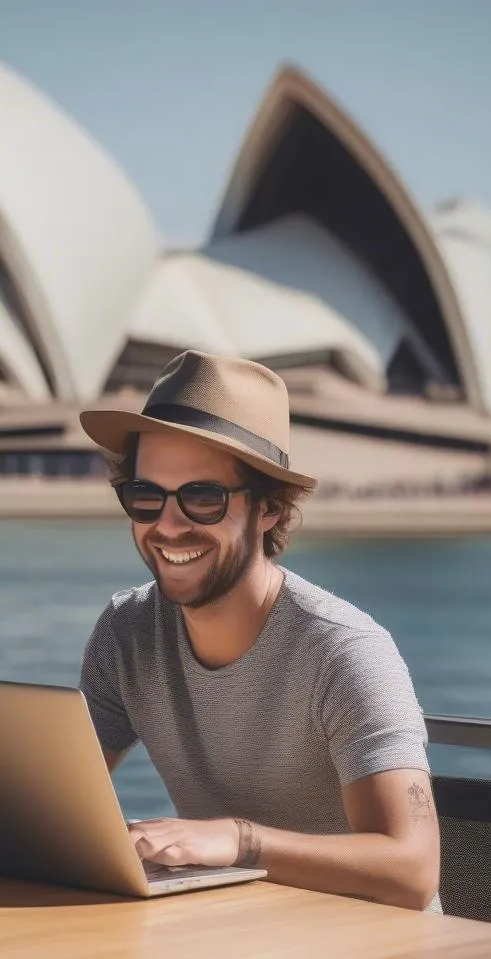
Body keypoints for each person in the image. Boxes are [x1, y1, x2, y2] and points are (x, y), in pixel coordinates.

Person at [77, 350, 441, 914]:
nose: (168, 525)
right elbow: (57, 805)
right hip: (225, 947)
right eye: (147, 496)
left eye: (202, 498)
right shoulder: (125, 634)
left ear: (269, 508)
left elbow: (414, 871)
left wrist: (240, 842)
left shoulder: (344, 652)